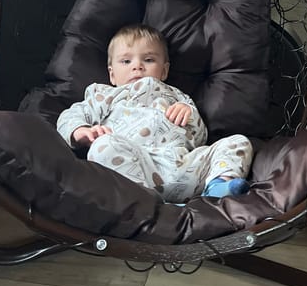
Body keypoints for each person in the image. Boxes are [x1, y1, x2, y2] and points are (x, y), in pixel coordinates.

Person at [56, 24, 253, 203]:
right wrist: (79, 131)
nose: (137, 66)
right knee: (103, 147)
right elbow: (70, 116)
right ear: (112, 75)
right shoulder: (104, 95)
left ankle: (217, 188)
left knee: (238, 142)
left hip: (184, 168)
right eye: (126, 61)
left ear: (164, 71)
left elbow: (200, 138)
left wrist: (190, 114)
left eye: (149, 60)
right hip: (136, 168)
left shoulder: (177, 96)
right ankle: (145, 202)